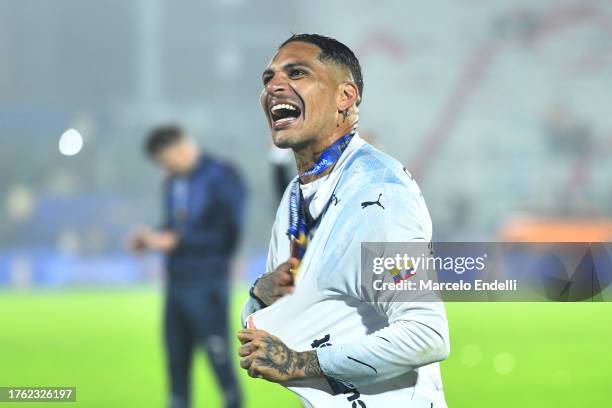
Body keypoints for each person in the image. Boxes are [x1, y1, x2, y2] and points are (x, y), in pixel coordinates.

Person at [237, 34, 450, 407]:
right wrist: (260, 296)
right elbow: (272, 325)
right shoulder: (295, 195)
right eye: (267, 79)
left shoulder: (379, 193)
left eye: (297, 73)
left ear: (345, 97)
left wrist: (300, 363)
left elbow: (427, 333)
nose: (274, 86)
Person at [128, 125, 245, 408]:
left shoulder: (222, 175)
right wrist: (152, 238)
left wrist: (176, 241)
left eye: (165, 161)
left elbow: (230, 232)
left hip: (208, 282)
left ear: (180, 148)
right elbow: (173, 227)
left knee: (221, 364)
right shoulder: (173, 181)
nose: (164, 168)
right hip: (177, 284)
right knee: (176, 365)